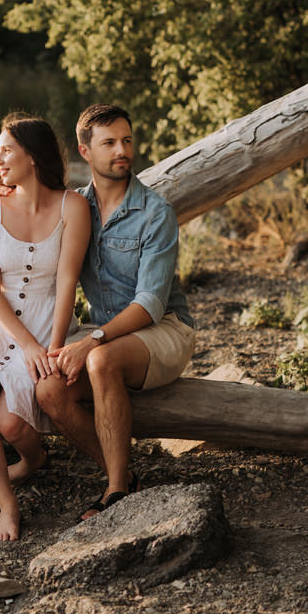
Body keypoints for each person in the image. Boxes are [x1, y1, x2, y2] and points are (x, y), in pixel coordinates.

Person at [38, 104, 196, 520]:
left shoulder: (155, 213)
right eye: (109, 143)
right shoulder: (75, 209)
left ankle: (116, 492)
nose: (122, 150)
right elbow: (29, 212)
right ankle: (122, 473)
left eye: (126, 140)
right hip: (104, 331)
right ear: (85, 150)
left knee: (101, 359)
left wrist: (91, 340)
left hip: (164, 329)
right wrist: (2, 191)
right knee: (48, 391)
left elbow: (150, 304)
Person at [0, 114, 90, 541]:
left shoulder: (72, 207)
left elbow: (67, 283)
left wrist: (55, 346)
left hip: (48, 322)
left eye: (6, 150)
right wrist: (24, 345)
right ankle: (7, 501)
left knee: (12, 424)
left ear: (32, 154)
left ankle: (34, 458)